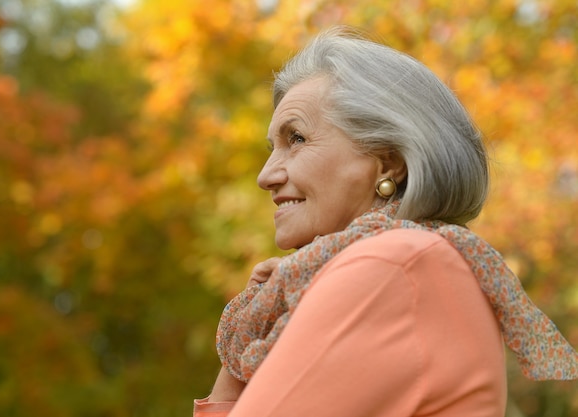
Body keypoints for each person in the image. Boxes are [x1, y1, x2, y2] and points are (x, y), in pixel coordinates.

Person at [194, 26, 578, 416]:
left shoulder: (392, 262)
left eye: (296, 139)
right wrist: (258, 326)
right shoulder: (415, 257)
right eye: (272, 147)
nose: (266, 175)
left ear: (388, 160)